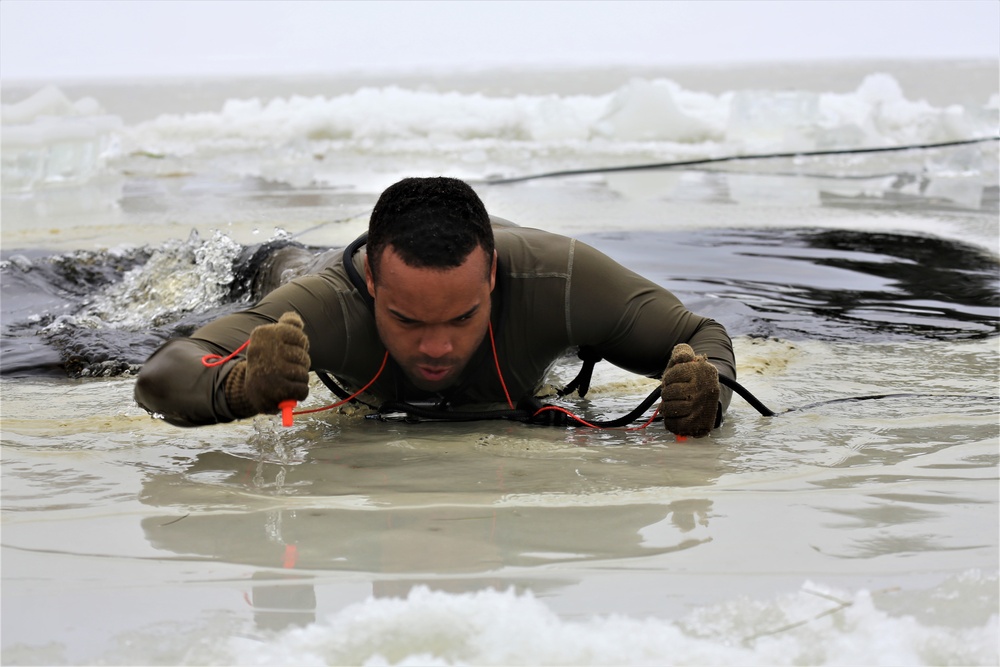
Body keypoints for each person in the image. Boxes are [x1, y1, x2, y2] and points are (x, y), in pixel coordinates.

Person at [134, 176, 734, 436]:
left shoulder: (561, 279)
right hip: (296, 266)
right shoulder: (329, 305)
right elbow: (162, 374)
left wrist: (709, 395)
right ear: (373, 285)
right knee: (283, 265)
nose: (438, 347)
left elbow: (700, 334)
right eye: (408, 321)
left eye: (462, 316)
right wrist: (240, 387)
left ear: (493, 277)